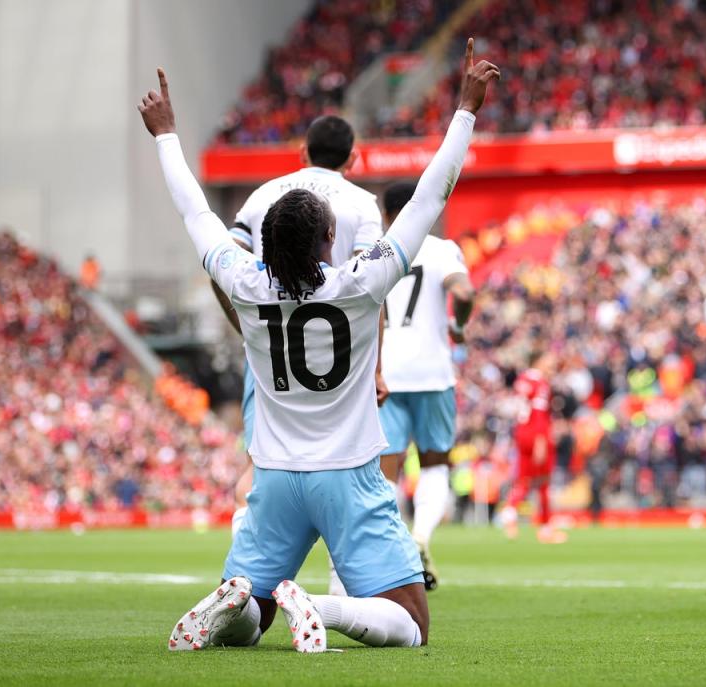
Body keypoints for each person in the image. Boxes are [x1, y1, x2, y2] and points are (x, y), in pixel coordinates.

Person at [138, 39, 499, 652]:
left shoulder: (246, 283)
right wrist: (466, 108)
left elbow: (195, 214)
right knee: (412, 625)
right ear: (329, 238)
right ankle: (323, 607)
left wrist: (166, 135)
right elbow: (430, 196)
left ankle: (240, 603)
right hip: (348, 474)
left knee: (251, 607)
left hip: (275, 476)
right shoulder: (361, 284)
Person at [220, 99, 388, 598]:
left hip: (270, 348)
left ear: (301, 152)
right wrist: (377, 365)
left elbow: (225, 263)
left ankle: (243, 588)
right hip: (342, 354)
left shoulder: (261, 197)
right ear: (353, 158)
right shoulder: (360, 203)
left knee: (258, 470)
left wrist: (246, 324)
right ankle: (341, 596)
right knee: (352, 469)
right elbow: (369, 289)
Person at [377, 181, 475, 591]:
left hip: (388, 374)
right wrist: (458, 324)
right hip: (433, 374)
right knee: (435, 463)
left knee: (387, 470)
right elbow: (464, 291)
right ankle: (421, 537)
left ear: (386, 213)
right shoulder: (440, 249)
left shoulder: (376, 251)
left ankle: (394, 551)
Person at [502, 352, 567, 544]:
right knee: (543, 481)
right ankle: (546, 528)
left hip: (521, 432)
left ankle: (510, 512)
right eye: (548, 359)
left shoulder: (522, 379)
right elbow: (538, 413)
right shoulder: (540, 383)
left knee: (524, 479)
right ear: (538, 360)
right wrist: (540, 439)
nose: (552, 363)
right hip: (536, 433)